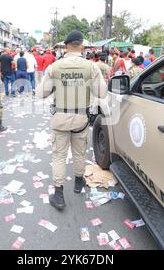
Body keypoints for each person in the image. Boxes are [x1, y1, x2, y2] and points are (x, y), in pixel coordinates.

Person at [36, 30, 107, 210]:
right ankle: (78, 183)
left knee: (59, 155)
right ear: (81, 46)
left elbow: (41, 93)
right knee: (79, 152)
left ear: (65, 47)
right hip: (81, 118)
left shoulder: (55, 67)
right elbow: (102, 93)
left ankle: (59, 195)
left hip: (60, 117)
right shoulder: (91, 67)